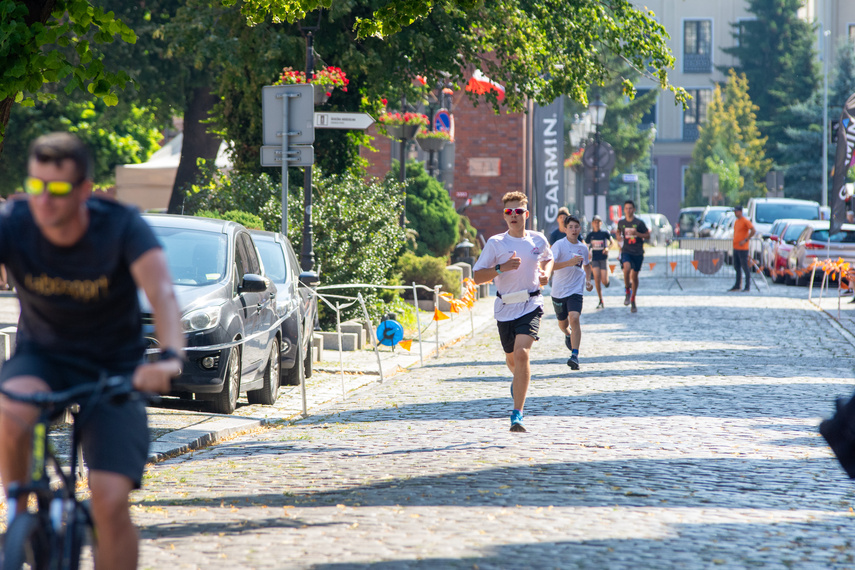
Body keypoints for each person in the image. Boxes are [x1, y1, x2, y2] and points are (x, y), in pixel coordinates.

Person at [0, 132, 185, 569]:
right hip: (42, 357)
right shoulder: (15, 223)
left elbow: (162, 294)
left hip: (113, 367)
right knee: (8, 409)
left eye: (59, 189)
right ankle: (19, 508)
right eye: (36, 186)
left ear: (84, 191)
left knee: (109, 501)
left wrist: (171, 358)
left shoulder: (120, 226)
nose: (45, 200)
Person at [473, 191, 553, 433]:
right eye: (509, 211)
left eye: (519, 211)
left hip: (531, 304)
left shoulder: (538, 240)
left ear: (526, 214)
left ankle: (517, 414)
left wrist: (545, 273)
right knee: (512, 358)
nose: (514, 215)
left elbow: (548, 259)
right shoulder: (496, 243)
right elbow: (477, 277)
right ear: (504, 215)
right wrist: (500, 268)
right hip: (505, 306)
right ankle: (518, 380)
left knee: (522, 354)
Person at [551, 215, 593, 370]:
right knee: (563, 324)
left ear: (580, 229)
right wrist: (568, 263)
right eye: (570, 227)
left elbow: (587, 266)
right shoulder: (558, 245)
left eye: (576, 227)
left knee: (574, 318)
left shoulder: (583, 248)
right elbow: (550, 266)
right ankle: (567, 334)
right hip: (559, 291)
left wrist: (588, 280)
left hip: (576, 289)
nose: (574, 230)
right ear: (565, 229)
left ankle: (575, 355)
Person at [617, 200, 649, 313]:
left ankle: (633, 299)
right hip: (626, 251)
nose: (628, 210)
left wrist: (637, 234)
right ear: (624, 210)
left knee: (634, 277)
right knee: (626, 268)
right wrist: (618, 238)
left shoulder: (639, 223)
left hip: (638, 253)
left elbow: (648, 235)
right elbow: (618, 232)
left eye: (630, 208)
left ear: (634, 210)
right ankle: (627, 291)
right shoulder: (621, 222)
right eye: (626, 208)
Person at [584, 214, 613, 309]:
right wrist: (588, 253)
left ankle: (607, 283)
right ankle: (601, 299)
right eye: (595, 222)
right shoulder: (590, 235)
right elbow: (586, 245)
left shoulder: (605, 233)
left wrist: (608, 248)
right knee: (596, 278)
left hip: (603, 258)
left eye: (598, 222)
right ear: (592, 223)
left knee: (604, 280)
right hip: (595, 259)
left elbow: (612, 242)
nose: (596, 224)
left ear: (601, 223)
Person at [729, 205, 755, 292]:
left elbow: (753, 230)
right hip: (736, 247)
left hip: (743, 248)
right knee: (737, 267)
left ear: (741, 211)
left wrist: (746, 240)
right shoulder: (736, 221)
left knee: (745, 267)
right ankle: (737, 285)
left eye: (736, 211)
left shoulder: (745, 221)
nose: (735, 213)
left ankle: (747, 286)